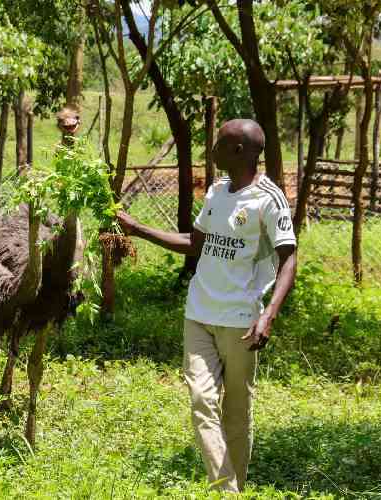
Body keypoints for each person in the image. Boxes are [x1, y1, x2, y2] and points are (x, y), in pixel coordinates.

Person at [117, 119, 297, 492]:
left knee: (236, 413)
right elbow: (194, 243)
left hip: (241, 320)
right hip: (199, 313)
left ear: (238, 151)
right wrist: (138, 229)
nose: (211, 149)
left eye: (219, 144)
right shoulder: (216, 192)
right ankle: (226, 491)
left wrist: (269, 314)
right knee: (202, 401)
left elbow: (289, 259)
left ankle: (235, 487)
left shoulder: (268, 199)